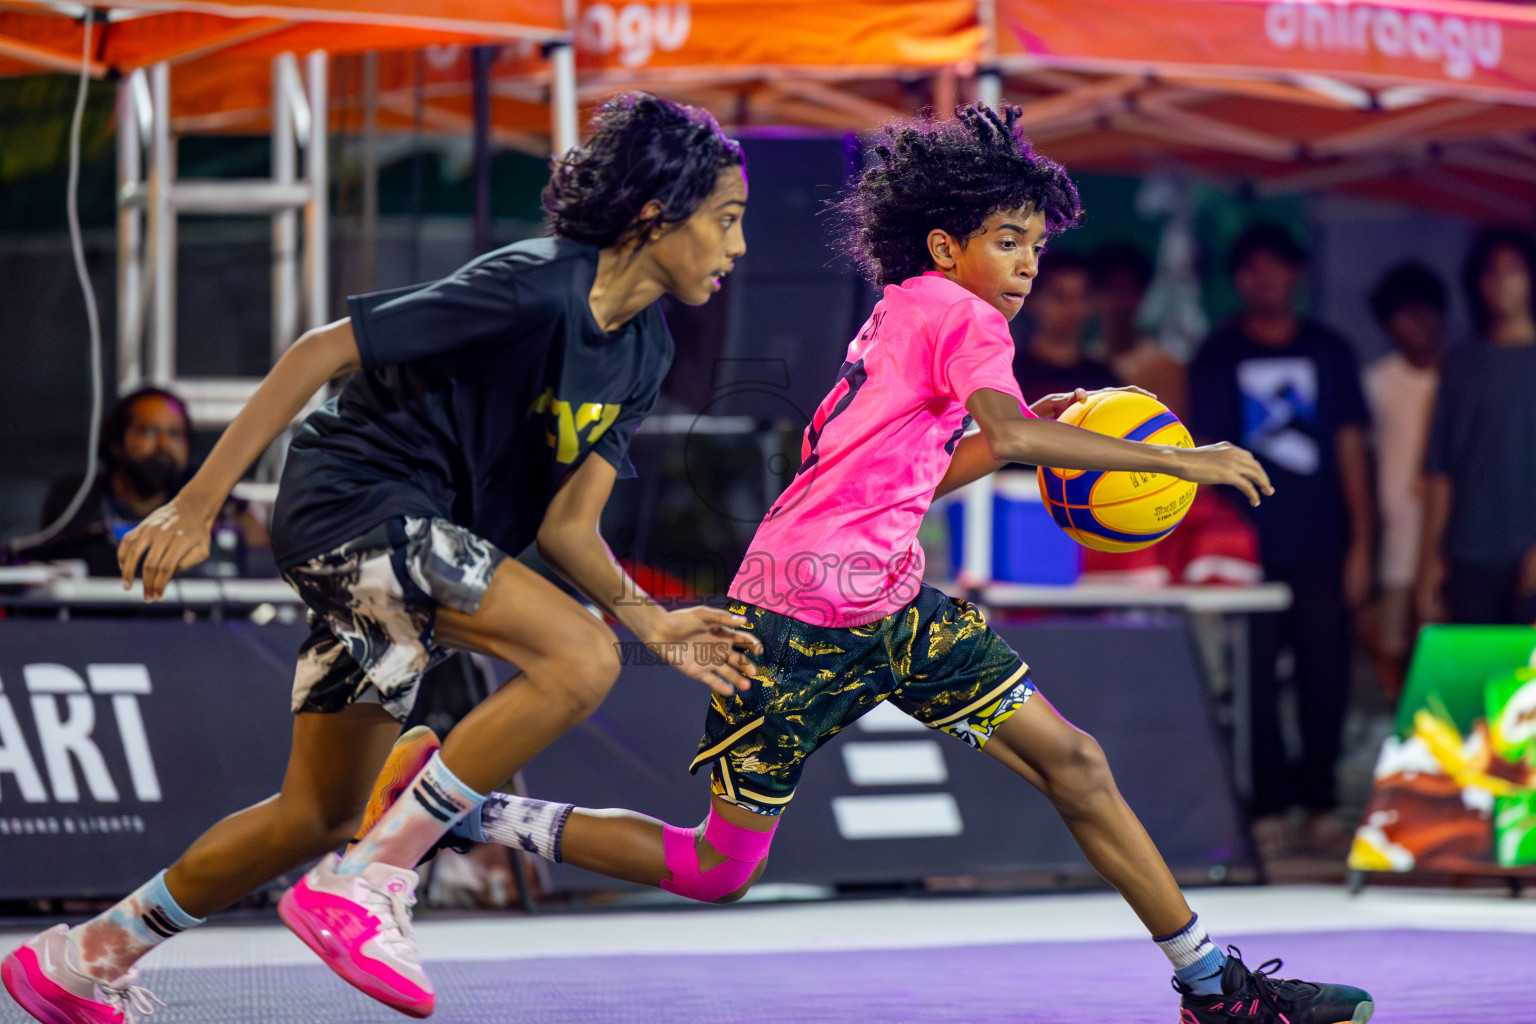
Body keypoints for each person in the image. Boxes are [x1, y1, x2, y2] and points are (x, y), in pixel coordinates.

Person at [364, 105, 1371, 1024]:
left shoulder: (908, 309)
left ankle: (1210, 985)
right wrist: (1176, 458)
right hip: (803, 619)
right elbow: (1011, 444)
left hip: (878, 599)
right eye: (1008, 242)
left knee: (1075, 762)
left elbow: (918, 480)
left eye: (1036, 244)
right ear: (948, 244)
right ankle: (472, 809)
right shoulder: (962, 317)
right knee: (717, 870)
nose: (1025, 266)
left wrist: (1023, 429)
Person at [1, 93, 760, 1023]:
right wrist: (195, 506)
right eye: (726, 220)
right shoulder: (535, 283)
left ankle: (82, 958)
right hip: (355, 504)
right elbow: (321, 351)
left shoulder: (640, 350)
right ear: (656, 214)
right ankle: (370, 875)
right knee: (580, 656)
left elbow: (569, 527)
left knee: (314, 813)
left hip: (409, 554)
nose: (738, 248)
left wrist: (652, 620)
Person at [1188, 222, 1375, 854]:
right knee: (1253, 682)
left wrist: (1363, 544)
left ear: (1296, 273)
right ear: (1237, 280)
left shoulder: (1330, 349)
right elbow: (1201, 465)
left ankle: (1321, 802)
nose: (1265, 280)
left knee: (1328, 675)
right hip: (1246, 549)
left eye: (1277, 266)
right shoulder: (1216, 356)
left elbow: (1352, 450)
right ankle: (1266, 810)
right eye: (1252, 269)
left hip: (1324, 541)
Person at [1417, 230, 1536, 627]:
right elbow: (1440, 470)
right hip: (1467, 551)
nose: (1502, 282)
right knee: (1472, 682)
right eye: (1492, 272)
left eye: (1514, 270)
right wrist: (1430, 558)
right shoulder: (1461, 364)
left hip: (1526, 549)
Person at [29, 387, 270, 577]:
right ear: (117, 444)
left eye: (175, 434)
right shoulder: (78, 499)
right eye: (149, 432)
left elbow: (258, 554)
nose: (164, 445)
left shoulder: (212, 500)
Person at [1362, 261, 1446, 699]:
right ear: (1387, 323)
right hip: (1395, 543)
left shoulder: (1459, 376)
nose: (1419, 324)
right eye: (1405, 314)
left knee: (1444, 644)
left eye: (1426, 311)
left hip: (1450, 539)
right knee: (1390, 643)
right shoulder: (1376, 383)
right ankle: (1404, 723)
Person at [1091, 241, 1189, 420]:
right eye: (1110, 288)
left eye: (1127, 288)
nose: (1119, 301)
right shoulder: (1084, 360)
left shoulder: (1165, 367)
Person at [1009, 248, 1120, 403]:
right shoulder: (1010, 373)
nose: (1072, 307)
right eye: (1059, 296)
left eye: (1080, 296)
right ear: (1032, 301)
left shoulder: (1105, 379)